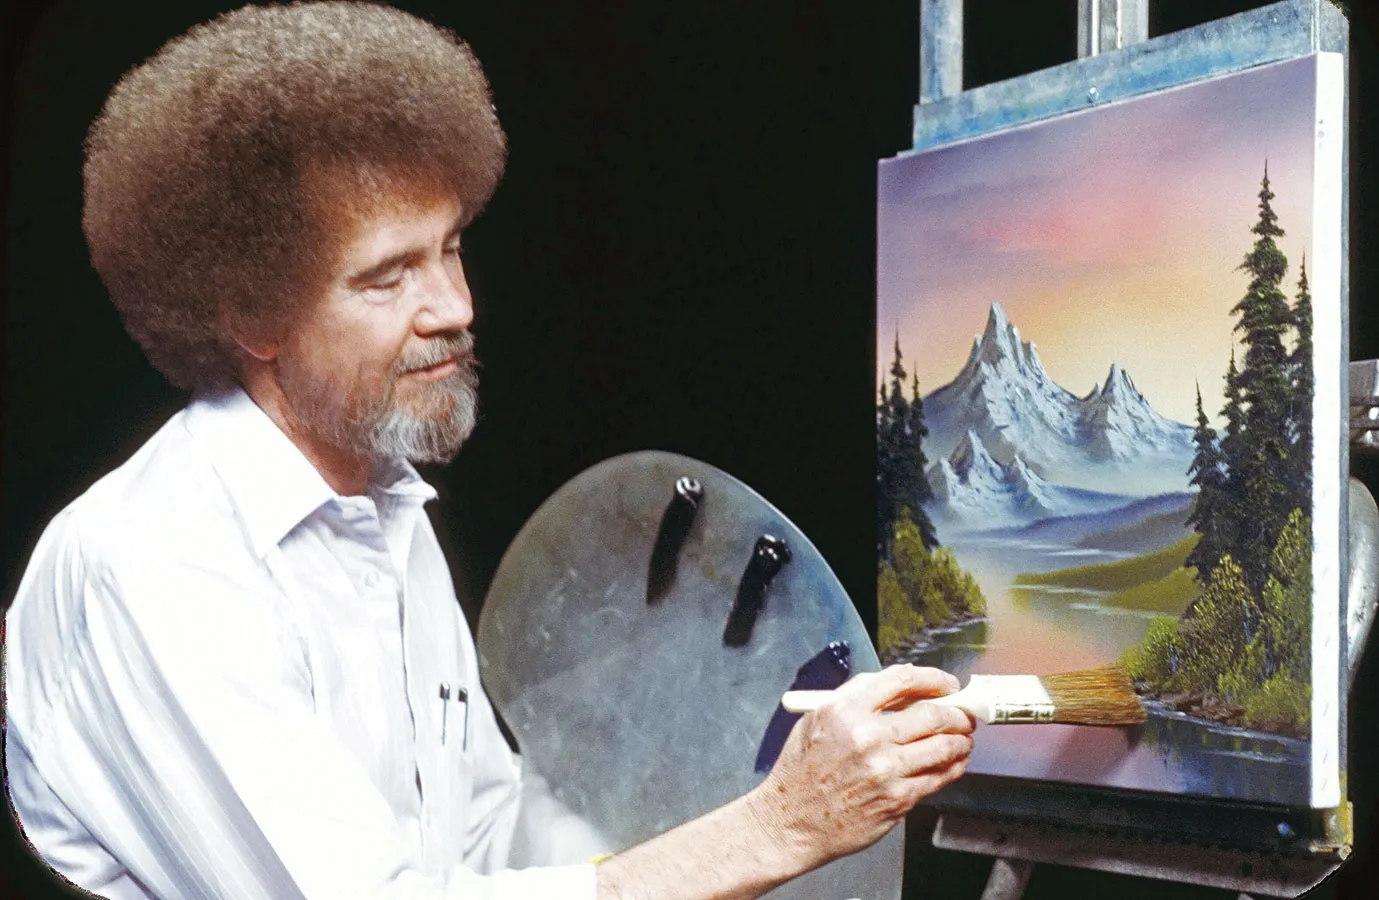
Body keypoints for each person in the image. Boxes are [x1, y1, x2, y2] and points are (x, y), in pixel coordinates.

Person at [1, 3, 975, 898]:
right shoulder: (157, 560)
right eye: (387, 278)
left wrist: (745, 836)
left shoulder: (382, 510)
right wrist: (776, 827)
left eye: (451, 248)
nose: (455, 308)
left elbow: (490, 834)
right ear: (252, 314)